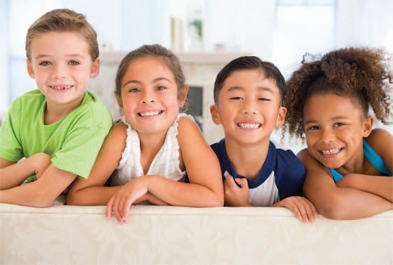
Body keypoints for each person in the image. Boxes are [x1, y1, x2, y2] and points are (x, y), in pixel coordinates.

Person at [66, 44, 224, 224]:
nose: (147, 98)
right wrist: (142, 194)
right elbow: (78, 195)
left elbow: (213, 197)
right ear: (120, 101)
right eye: (134, 89)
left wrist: (148, 184)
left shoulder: (184, 130)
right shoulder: (121, 135)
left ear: (181, 95)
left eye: (160, 87)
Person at [0, 9, 113, 207]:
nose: (59, 73)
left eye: (73, 62)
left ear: (94, 68)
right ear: (31, 68)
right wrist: (34, 163)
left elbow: (42, 196)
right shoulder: (22, 107)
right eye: (45, 62)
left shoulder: (92, 119)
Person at [285, 47, 393, 220]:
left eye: (339, 124)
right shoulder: (308, 160)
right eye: (314, 127)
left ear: (365, 127)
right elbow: (334, 206)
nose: (326, 138)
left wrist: (354, 182)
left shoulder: (379, 142)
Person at [210, 56, 318, 223]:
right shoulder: (203, 162)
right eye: (237, 97)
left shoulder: (290, 170)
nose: (249, 108)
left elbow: (286, 234)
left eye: (263, 99)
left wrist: (242, 206)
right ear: (216, 113)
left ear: (280, 116)